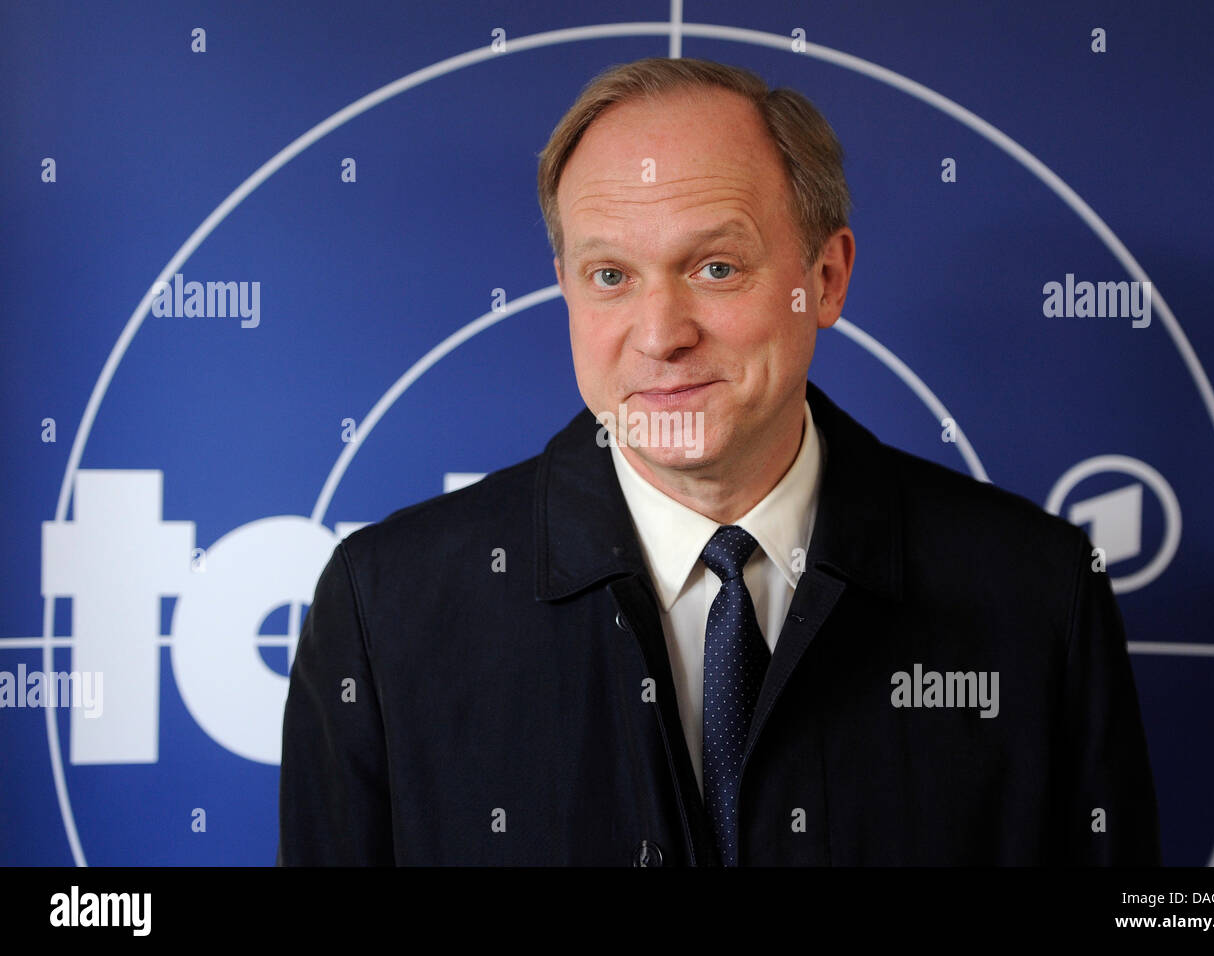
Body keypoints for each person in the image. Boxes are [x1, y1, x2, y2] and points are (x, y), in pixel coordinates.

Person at [277, 56, 1160, 866]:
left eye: (716, 267)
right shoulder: (383, 608)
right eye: (610, 277)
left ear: (828, 276)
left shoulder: (1038, 593)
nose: (660, 337)